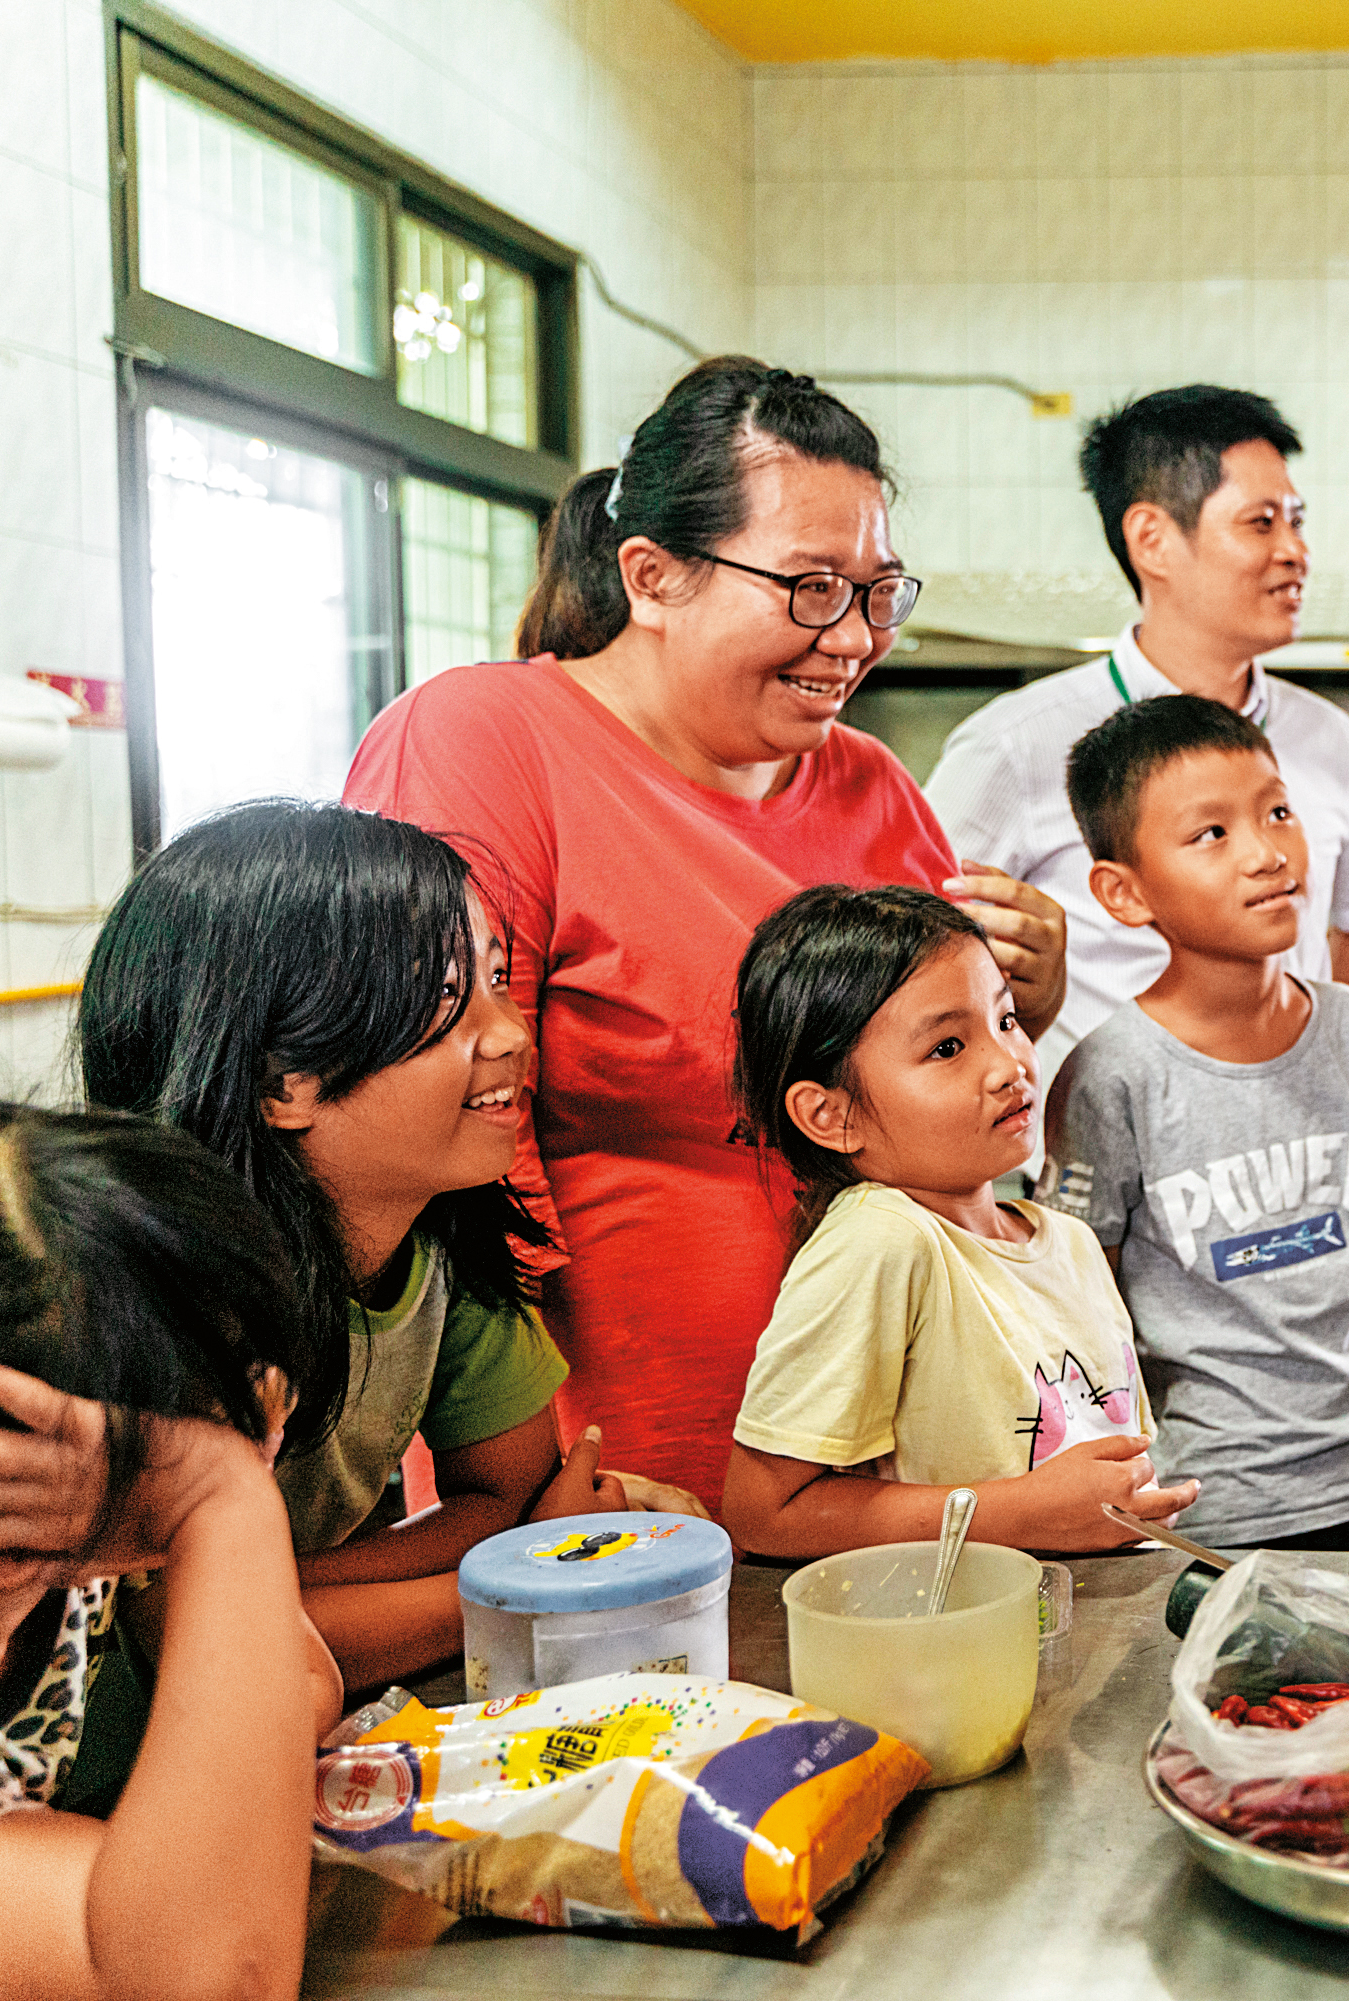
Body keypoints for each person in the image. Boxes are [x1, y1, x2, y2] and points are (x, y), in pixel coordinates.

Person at [344, 357, 1068, 1514]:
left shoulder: (870, 786)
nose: (854, 637)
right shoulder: (487, 741)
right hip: (611, 1448)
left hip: (884, 1472)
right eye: (812, 588)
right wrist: (529, 1471)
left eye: (880, 592)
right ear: (653, 578)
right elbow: (438, 1109)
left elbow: (944, 1080)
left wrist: (1029, 987)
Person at [77, 802, 633, 1687]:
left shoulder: (442, 1242)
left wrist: (289, 1589)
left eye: (498, 979)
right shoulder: (157, 1298)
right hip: (79, 1793)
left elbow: (510, 1503)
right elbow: (189, 1629)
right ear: (281, 1082)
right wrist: (525, 1594)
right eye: (447, 1001)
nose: (513, 1034)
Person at [0, 1102, 330, 2001]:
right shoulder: (84, 1535)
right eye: (227, 1446)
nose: (264, 1443)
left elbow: (305, 1682)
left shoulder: (59, 1565)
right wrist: (219, 1505)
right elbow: (207, 1979)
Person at [1040, 697, 1349, 1553]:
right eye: (1211, 834)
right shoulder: (1111, 1075)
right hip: (1216, 1505)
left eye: (1278, 811)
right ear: (1125, 892)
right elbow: (1085, 1311)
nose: (1267, 852)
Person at [925, 386, 1349, 1083]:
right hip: (1096, 1175)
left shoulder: (1334, 741)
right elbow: (912, 964)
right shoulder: (1013, 747)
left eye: (1297, 521)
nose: (1295, 551)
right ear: (1152, 540)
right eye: (1260, 523)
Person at [721, 887, 1193, 1557]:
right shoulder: (881, 1238)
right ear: (832, 1115)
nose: (1008, 1064)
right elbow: (763, 1510)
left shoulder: (1072, 1242)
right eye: (947, 1047)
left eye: (1005, 1020)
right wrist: (1019, 1512)